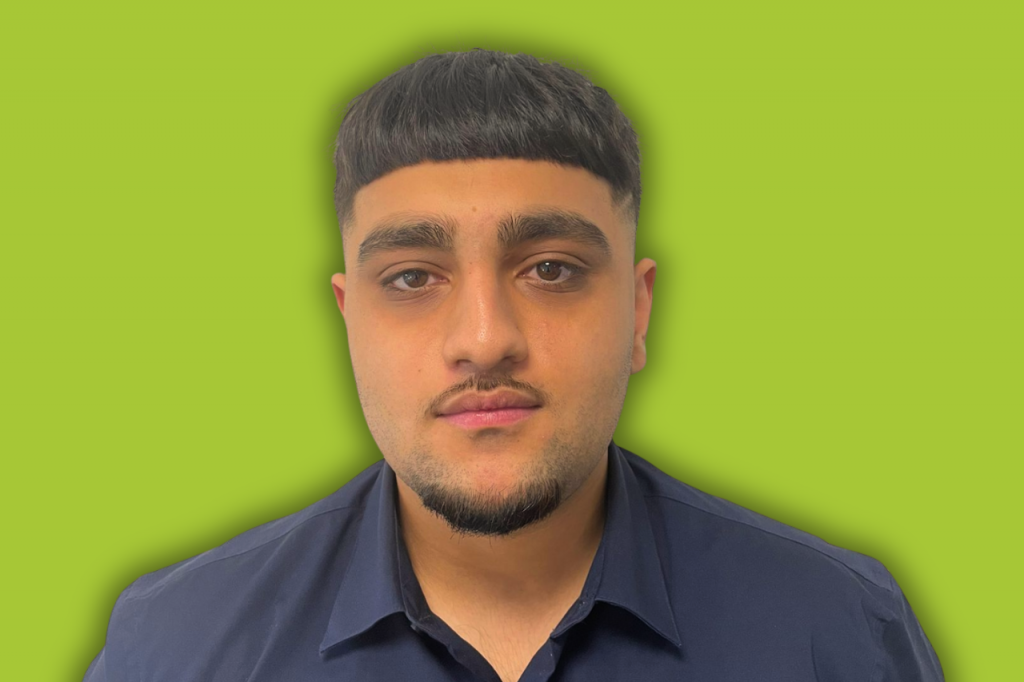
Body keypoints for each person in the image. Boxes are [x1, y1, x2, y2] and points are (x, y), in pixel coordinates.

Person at [84, 48, 944, 682]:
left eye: (552, 269)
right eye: (412, 278)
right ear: (349, 322)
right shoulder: (176, 648)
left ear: (638, 311)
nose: (486, 337)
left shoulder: (839, 631)